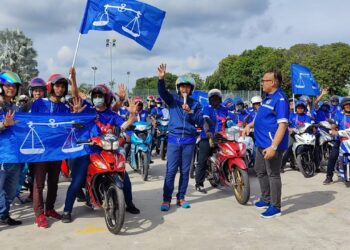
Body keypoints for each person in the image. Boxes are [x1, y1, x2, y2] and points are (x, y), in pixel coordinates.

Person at [30, 73, 84, 228]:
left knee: (53, 182)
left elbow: (70, 125)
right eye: (57, 86)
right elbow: (32, 122)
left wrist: (75, 115)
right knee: (39, 183)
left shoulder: (65, 107)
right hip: (41, 150)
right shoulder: (39, 103)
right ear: (51, 87)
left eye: (62, 86)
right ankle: (39, 214)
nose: (60, 89)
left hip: (57, 150)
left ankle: (50, 208)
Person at [243, 69, 289, 218]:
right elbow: (261, 116)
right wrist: (250, 125)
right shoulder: (268, 97)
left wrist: (273, 147)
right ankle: (266, 198)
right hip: (260, 143)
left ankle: (275, 207)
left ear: (273, 82)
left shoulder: (280, 99)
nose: (262, 83)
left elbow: (282, 125)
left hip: (271, 145)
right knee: (259, 170)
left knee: (273, 174)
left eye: (264, 80)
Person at [157, 64, 203, 211]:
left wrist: (190, 112)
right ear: (178, 88)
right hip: (174, 141)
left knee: (184, 172)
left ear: (191, 89)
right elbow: (162, 92)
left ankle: (181, 197)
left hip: (189, 142)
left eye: (187, 87)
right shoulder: (173, 100)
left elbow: (200, 121)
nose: (185, 89)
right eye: (182, 86)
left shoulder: (196, 104)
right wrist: (161, 79)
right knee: (170, 171)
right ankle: (166, 199)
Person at [0, 71, 24, 226]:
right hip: (1, 156)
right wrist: (3, 124)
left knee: (10, 191)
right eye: (8, 85)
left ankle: (4, 216)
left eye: (14, 86)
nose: (11, 88)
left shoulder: (16, 108)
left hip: (15, 156)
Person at [195, 88, 228, 193]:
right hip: (208, 137)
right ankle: (199, 184)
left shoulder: (224, 109)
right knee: (202, 160)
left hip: (222, 137)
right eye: (212, 98)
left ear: (220, 99)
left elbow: (230, 121)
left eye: (217, 98)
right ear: (209, 100)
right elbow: (205, 121)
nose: (215, 100)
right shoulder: (206, 108)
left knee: (228, 155)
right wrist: (208, 131)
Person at [323, 97, 350, 184]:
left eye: (349, 105)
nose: (348, 106)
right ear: (343, 106)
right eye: (346, 105)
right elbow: (334, 126)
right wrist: (333, 131)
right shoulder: (339, 115)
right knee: (333, 157)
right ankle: (329, 176)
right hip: (341, 140)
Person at [281, 100, 312, 171]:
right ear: (296, 108)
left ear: (304, 108)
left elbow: (308, 125)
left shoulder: (307, 117)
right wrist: (289, 129)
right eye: (298, 108)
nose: (300, 109)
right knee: (288, 148)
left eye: (301, 108)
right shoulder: (291, 115)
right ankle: (281, 166)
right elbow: (286, 124)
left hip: (303, 135)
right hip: (292, 135)